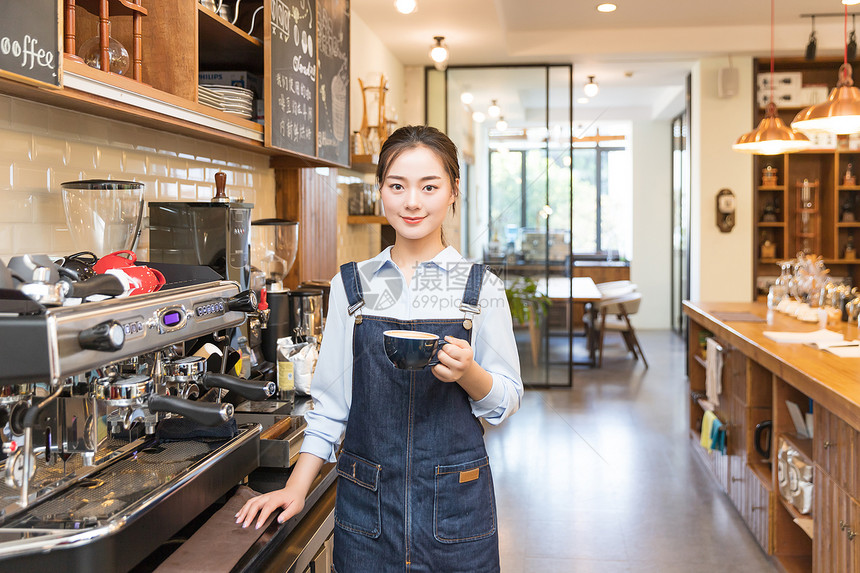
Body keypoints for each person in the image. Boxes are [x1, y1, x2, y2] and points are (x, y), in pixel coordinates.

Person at [235, 125, 523, 573]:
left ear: (453, 192)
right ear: (380, 192)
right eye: (397, 186)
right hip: (367, 510)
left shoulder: (481, 287)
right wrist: (296, 487)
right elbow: (330, 407)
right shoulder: (351, 285)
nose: (413, 201)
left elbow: (505, 402)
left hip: (456, 510)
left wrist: (470, 374)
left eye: (430, 186)